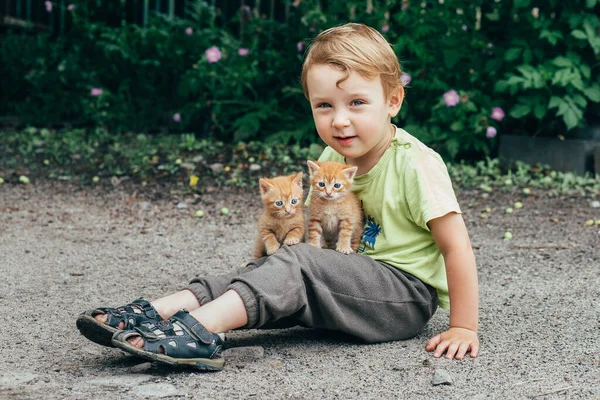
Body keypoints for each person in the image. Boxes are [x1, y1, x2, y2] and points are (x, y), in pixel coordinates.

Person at [76, 22, 480, 371]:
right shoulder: (332, 158)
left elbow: (456, 246)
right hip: (347, 284)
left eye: (357, 102)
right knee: (272, 264)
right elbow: (304, 232)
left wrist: (463, 325)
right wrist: (266, 263)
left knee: (298, 261)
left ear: (392, 101)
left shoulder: (416, 165)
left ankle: (197, 330)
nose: (339, 120)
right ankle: (160, 313)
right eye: (324, 105)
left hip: (401, 298)